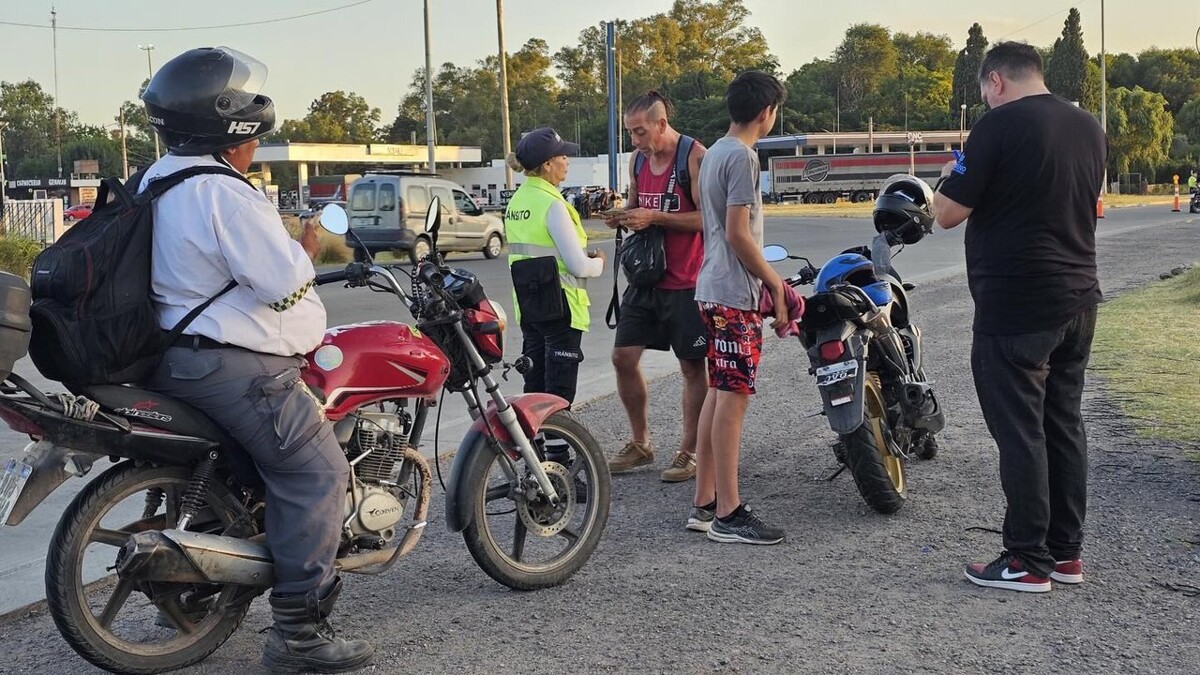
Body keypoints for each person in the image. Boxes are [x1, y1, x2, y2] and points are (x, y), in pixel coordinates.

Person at [140, 47, 373, 671]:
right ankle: (299, 632)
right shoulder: (224, 194)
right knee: (318, 474)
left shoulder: (157, 178)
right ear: (233, 130)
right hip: (234, 369)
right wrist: (303, 244)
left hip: (174, 358)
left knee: (275, 468)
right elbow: (285, 287)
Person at [933, 41, 1105, 593]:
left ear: (996, 82)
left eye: (984, 90)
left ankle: (1027, 560)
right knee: (1064, 423)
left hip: (1016, 304)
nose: (986, 99)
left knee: (1021, 431)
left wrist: (946, 177)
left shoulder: (996, 127)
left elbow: (947, 214)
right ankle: (1065, 553)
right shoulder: (1088, 127)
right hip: (1078, 298)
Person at [691, 71, 789, 545]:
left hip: (710, 287)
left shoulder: (712, 154)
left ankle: (705, 500)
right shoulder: (745, 157)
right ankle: (729, 512)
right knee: (733, 398)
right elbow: (737, 232)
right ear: (767, 112)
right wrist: (775, 284)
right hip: (733, 293)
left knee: (718, 390)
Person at [604, 91, 709, 482]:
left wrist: (657, 217)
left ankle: (689, 451)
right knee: (622, 358)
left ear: (661, 124)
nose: (635, 141)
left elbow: (707, 219)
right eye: (631, 133)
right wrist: (624, 216)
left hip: (687, 282)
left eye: (640, 132)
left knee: (691, 367)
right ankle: (641, 443)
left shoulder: (695, 157)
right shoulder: (638, 160)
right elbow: (636, 206)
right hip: (646, 280)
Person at [504, 128, 606, 468]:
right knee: (559, 396)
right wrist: (598, 263)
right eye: (563, 156)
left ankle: (534, 465)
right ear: (547, 164)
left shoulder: (518, 201)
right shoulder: (553, 204)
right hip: (561, 308)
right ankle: (558, 470)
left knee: (534, 389)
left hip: (530, 307)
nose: (567, 162)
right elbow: (577, 265)